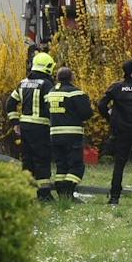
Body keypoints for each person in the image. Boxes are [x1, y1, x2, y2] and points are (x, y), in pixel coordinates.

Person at [98, 59, 132, 205]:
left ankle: (114, 196)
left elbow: (101, 105)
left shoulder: (116, 88)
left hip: (121, 131)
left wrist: (111, 118)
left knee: (119, 164)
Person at [5, 50, 57, 201]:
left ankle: (26, 191)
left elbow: (10, 104)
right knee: (42, 159)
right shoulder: (47, 84)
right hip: (40, 129)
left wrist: (15, 123)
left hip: (25, 128)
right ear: (48, 67)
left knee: (27, 159)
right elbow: (50, 107)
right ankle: (44, 194)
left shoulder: (22, 83)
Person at [44, 67, 93, 201]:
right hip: (72, 134)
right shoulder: (75, 93)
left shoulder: (51, 92)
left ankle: (62, 194)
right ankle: (68, 190)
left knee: (61, 165)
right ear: (71, 77)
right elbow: (86, 114)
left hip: (54, 134)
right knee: (76, 165)